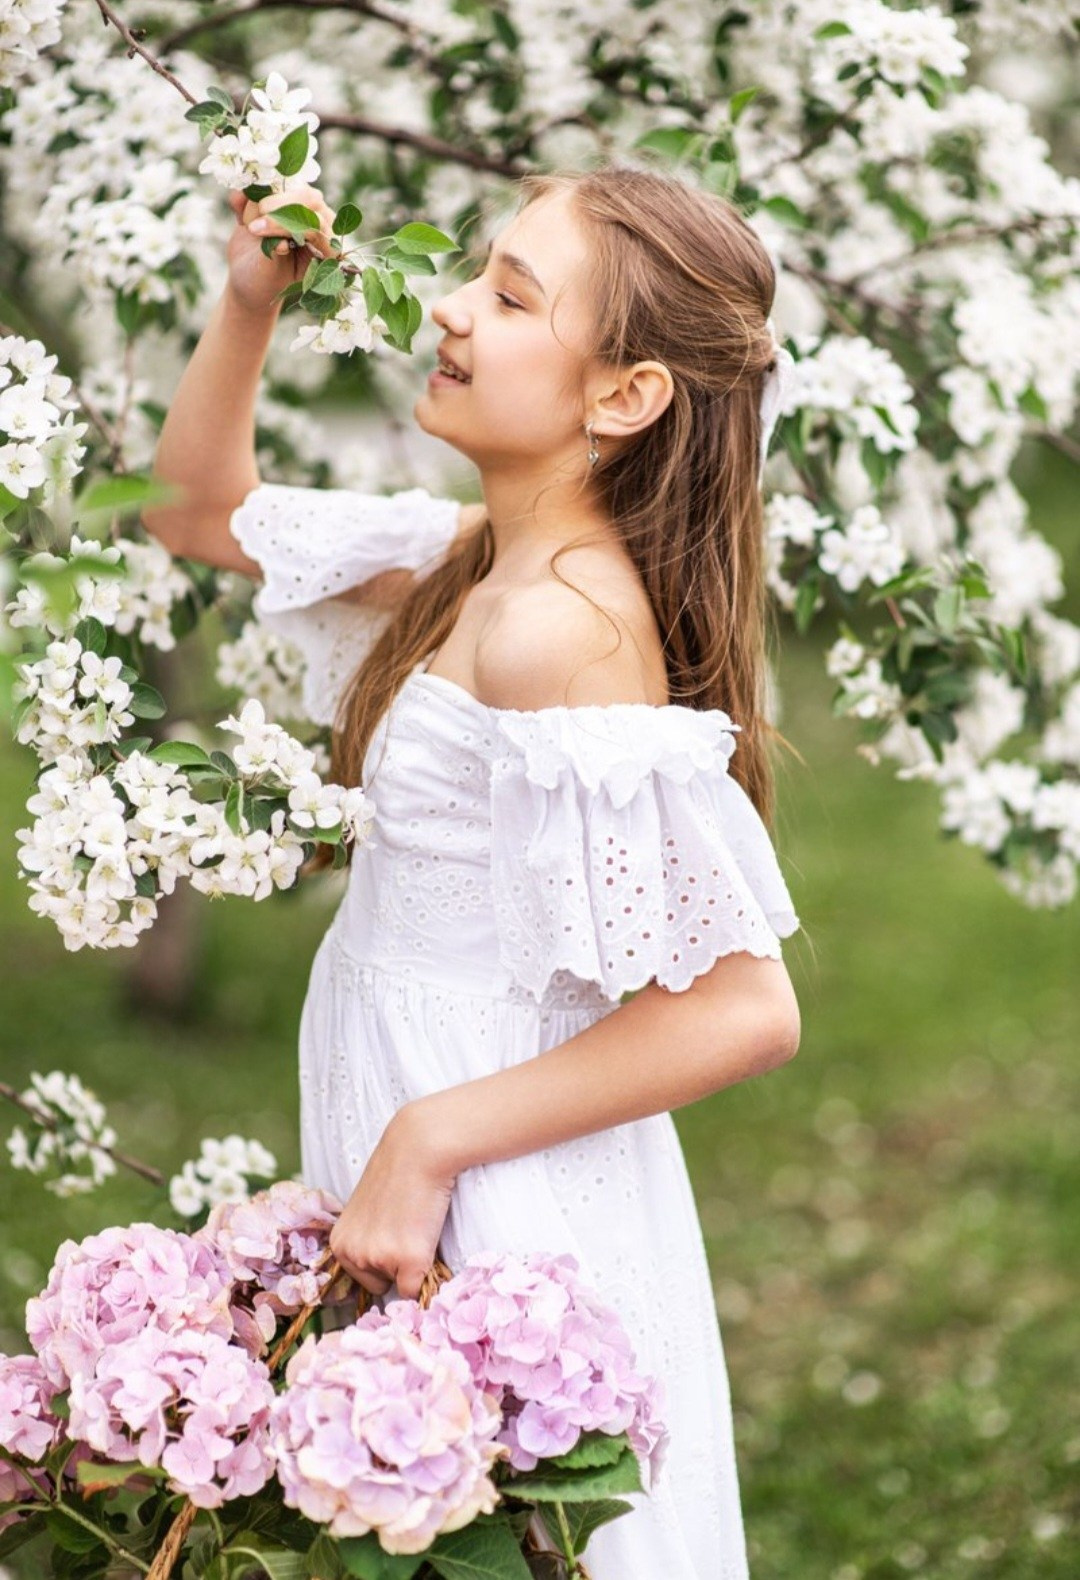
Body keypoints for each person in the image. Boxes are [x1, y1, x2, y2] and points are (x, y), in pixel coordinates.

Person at [143, 160, 804, 1579]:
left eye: (509, 295)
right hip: (428, 1143)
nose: (447, 305)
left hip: (510, 1193)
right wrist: (252, 297)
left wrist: (430, 1139)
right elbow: (198, 514)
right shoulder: (479, 565)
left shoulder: (561, 628)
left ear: (623, 396)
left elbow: (744, 1008)